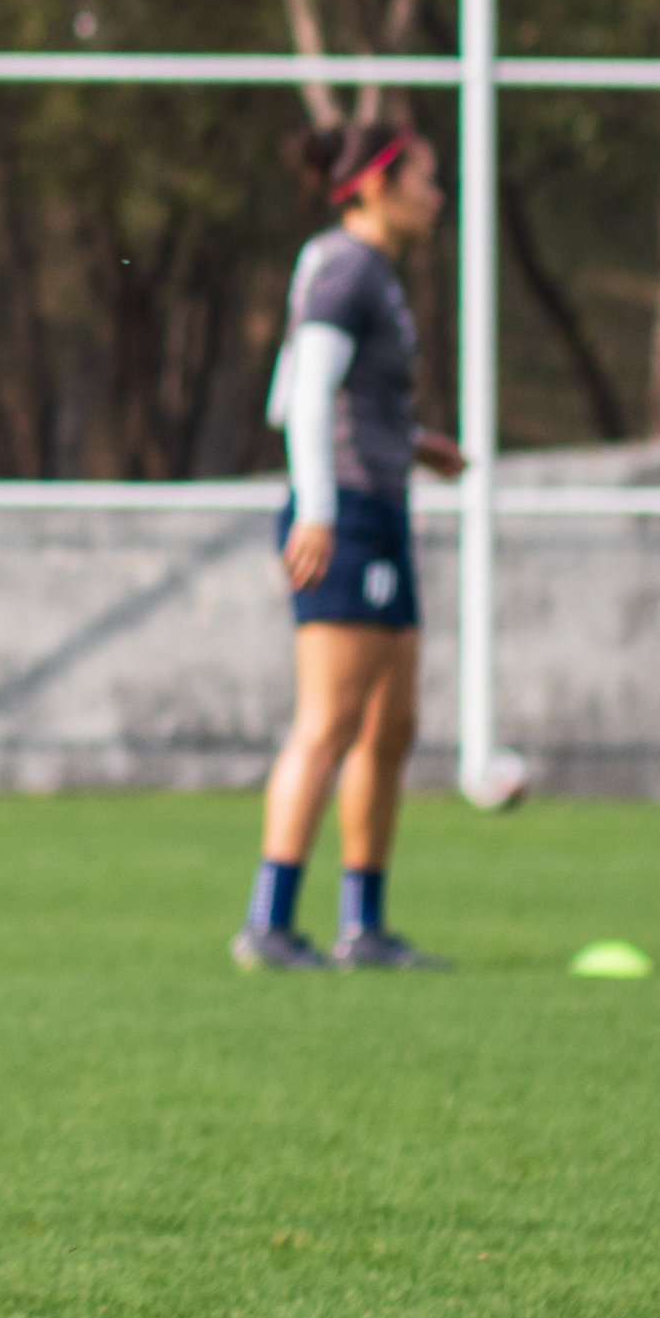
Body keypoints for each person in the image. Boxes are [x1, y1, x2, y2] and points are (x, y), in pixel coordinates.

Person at [239, 119, 463, 971]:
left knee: (391, 726)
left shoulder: (365, 272)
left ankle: (363, 928)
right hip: (348, 520)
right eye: (424, 178)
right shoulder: (348, 269)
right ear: (376, 184)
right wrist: (319, 510)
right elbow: (302, 399)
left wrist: (413, 442)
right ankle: (268, 924)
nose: (435, 195)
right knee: (327, 723)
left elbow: (310, 396)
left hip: (379, 507)